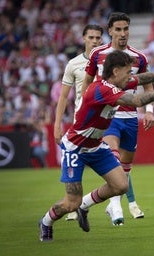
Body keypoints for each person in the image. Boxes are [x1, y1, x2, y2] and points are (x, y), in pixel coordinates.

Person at [38, 50, 154, 242]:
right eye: (128, 72)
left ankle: (84, 205)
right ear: (116, 71)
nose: (130, 76)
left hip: (96, 146)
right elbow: (137, 100)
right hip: (76, 148)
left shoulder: (116, 83)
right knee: (70, 203)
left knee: (121, 185)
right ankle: (46, 222)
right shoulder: (102, 90)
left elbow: (141, 78)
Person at [81, 12, 154, 226]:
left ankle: (110, 202)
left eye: (126, 29)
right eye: (118, 29)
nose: (123, 34)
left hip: (130, 117)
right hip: (107, 115)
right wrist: (81, 108)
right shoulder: (97, 53)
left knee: (125, 166)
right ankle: (116, 206)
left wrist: (149, 110)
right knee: (113, 156)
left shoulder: (139, 57)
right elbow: (86, 82)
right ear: (110, 31)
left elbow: (148, 85)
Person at [53, 24, 104, 221]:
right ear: (83, 39)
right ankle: (74, 205)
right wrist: (57, 125)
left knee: (118, 164)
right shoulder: (73, 64)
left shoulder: (107, 61)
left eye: (98, 38)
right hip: (80, 125)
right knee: (77, 168)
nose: (95, 41)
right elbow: (63, 97)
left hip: (103, 123)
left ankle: (114, 207)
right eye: (91, 37)